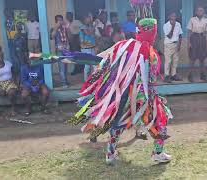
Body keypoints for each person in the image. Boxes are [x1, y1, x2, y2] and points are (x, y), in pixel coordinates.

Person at [69, 18, 172, 165]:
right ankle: (158, 152)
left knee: (119, 122)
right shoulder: (152, 54)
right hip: (142, 97)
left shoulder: (123, 45)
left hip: (121, 93)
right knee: (161, 117)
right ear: (152, 34)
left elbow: (104, 62)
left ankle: (110, 154)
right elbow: (152, 77)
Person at [187, 7, 207, 82]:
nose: (200, 12)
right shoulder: (192, 19)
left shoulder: (206, 20)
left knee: (202, 59)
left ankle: (202, 75)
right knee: (192, 59)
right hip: (194, 39)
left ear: (203, 12)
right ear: (196, 12)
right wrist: (189, 43)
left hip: (202, 39)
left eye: (201, 11)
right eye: (198, 10)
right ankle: (190, 75)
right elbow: (189, 32)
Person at [163, 12, 183, 83]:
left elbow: (180, 35)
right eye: (172, 16)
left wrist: (179, 45)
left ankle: (173, 75)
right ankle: (166, 76)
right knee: (168, 61)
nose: (173, 18)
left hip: (176, 44)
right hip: (168, 45)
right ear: (169, 17)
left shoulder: (178, 24)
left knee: (175, 61)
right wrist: (173, 27)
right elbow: (169, 36)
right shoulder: (165, 25)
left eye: (175, 16)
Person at [50, 15, 69, 88]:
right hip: (59, 50)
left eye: (61, 20)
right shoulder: (53, 28)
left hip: (66, 49)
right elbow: (51, 37)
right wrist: (56, 27)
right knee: (61, 67)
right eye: (58, 20)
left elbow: (69, 37)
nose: (60, 22)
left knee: (66, 66)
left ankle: (65, 81)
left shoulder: (64, 28)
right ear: (55, 21)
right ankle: (63, 83)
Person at [80, 14, 97, 81]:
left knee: (94, 65)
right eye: (88, 18)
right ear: (84, 20)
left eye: (90, 18)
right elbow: (88, 33)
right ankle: (86, 81)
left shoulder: (91, 26)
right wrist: (94, 26)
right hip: (86, 48)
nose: (89, 20)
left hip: (92, 47)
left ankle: (92, 80)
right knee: (87, 66)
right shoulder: (82, 27)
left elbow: (93, 36)